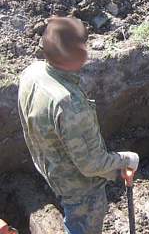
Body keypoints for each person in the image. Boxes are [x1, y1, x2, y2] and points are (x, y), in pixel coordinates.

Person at [18, 17, 139, 234]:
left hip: (49, 164)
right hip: (79, 186)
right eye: (84, 46)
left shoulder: (32, 73)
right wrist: (124, 160)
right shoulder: (69, 105)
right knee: (82, 222)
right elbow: (91, 165)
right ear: (75, 55)